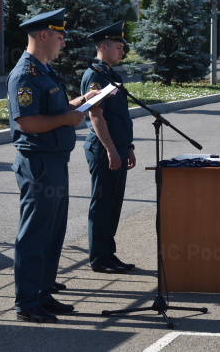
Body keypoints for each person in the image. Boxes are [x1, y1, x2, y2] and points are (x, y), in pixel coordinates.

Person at [7, 8, 100, 323]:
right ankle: (27, 302)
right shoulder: (25, 74)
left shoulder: (45, 71)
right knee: (34, 234)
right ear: (44, 35)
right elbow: (28, 122)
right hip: (39, 163)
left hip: (55, 161)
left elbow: (55, 110)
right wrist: (66, 118)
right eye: (59, 36)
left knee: (52, 234)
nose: (63, 42)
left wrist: (80, 102)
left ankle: (43, 294)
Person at [81, 21, 136, 274]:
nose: (121, 52)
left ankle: (108, 254)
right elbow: (96, 116)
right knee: (102, 203)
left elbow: (120, 115)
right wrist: (112, 150)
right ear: (102, 46)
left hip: (118, 146)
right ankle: (99, 258)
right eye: (117, 47)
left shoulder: (110, 74)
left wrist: (128, 146)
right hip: (104, 148)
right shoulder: (94, 75)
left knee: (114, 203)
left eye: (122, 48)